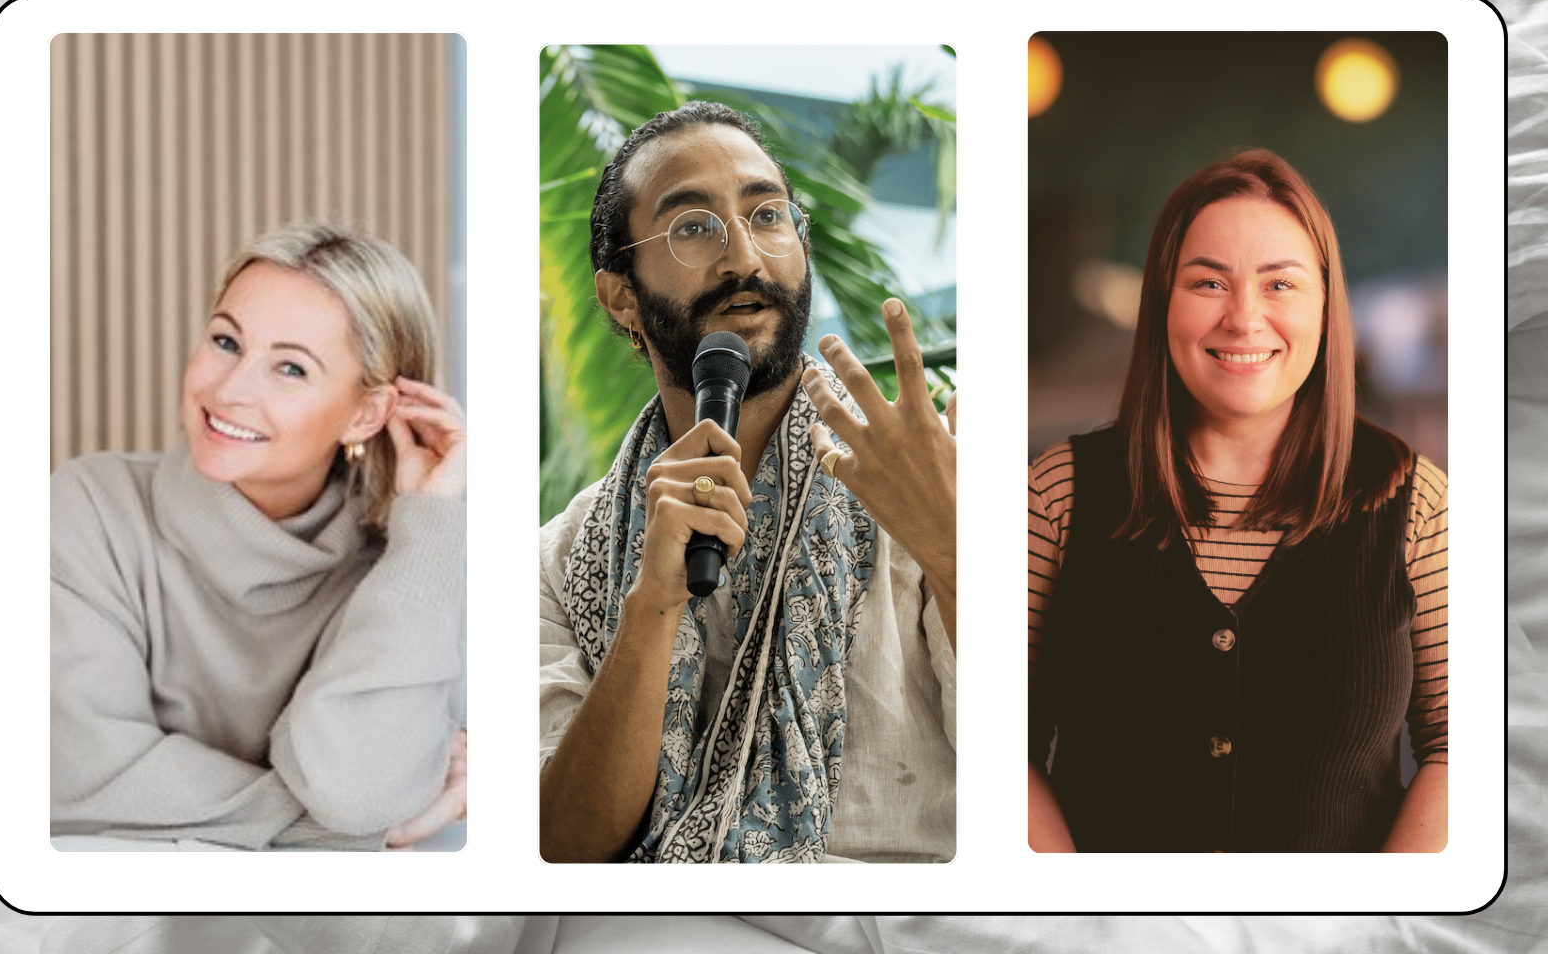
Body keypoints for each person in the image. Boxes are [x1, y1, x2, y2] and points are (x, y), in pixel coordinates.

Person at [538, 101, 957, 863]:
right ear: (620, 297)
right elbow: (561, 845)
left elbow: (1046, 754)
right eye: (692, 226)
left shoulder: (927, 468)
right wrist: (652, 605)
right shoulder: (560, 558)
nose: (745, 258)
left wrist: (953, 547)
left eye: (768, 216)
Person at [1026, 150, 1448, 853]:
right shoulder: (1057, 492)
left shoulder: (1418, 503)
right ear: (1163, 303)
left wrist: (1374, 923)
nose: (1244, 318)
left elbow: (1460, 745)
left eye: (1280, 283)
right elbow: (992, 735)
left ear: (1325, 303)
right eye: (1208, 283)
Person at [50, 223, 468, 850]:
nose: (229, 390)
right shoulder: (88, 509)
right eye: (226, 341)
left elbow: (361, 787)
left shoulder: (419, 559)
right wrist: (339, 832)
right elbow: (82, 769)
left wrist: (428, 532)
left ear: (366, 413)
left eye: (290, 368)